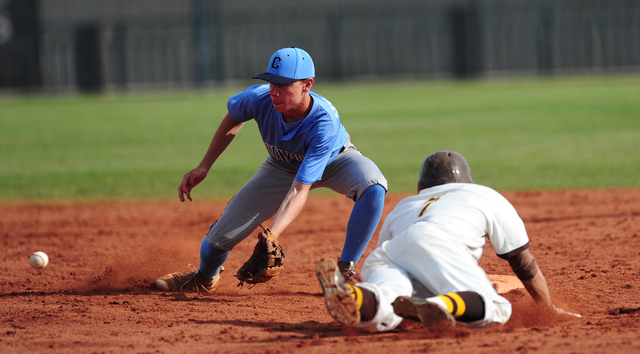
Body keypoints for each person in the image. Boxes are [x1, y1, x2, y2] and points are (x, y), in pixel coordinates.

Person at [156, 47, 388, 293]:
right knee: (216, 242)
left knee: (372, 184)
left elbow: (300, 189)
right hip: (281, 166)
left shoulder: (324, 123)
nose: (275, 91)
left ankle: (345, 269)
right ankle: (204, 277)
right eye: (271, 82)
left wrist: (272, 235)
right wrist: (204, 166)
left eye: (285, 85)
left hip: (336, 161)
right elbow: (234, 116)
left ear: (307, 85)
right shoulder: (259, 98)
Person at [316, 150, 579, 331]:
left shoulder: (404, 205)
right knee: (497, 308)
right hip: (439, 243)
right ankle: (438, 305)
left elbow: (390, 258)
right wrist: (547, 308)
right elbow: (522, 262)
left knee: (388, 303)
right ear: (466, 181)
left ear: (423, 187)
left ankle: (355, 296)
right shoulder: (484, 194)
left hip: (388, 254)